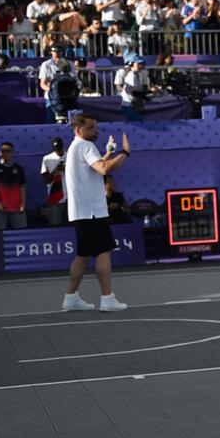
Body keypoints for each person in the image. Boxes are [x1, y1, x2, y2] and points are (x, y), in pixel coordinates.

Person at [62, 113, 131, 312]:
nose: (97, 131)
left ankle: (70, 297)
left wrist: (108, 153)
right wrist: (125, 153)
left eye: (97, 126)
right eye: (91, 127)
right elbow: (103, 169)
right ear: (79, 130)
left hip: (80, 212)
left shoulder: (76, 147)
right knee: (103, 251)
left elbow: (94, 166)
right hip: (92, 212)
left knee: (83, 255)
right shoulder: (85, 146)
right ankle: (108, 298)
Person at [0, 142, 28, 230]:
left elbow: (22, 187)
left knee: (20, 232)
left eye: (8, 151)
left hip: (17, 207)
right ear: (0, 153)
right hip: (0, 208)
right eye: (3, 151)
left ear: (13, 153)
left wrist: (23, 204)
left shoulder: (19, 168)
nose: (5, 153)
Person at [42, 137, 68, 227]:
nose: (58, 152)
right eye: (56, 150)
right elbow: (46, 180)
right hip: (55, 197)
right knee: (55, 225)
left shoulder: (71, 157)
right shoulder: (47, 159)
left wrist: (67, 169)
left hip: (71, 197)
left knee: (73, 226)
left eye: (59, 149)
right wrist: (55, 171)